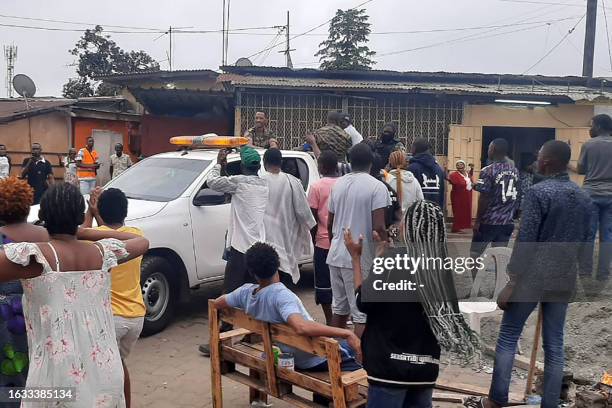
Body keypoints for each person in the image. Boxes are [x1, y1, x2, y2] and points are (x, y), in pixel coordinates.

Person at [0, 182, 149, 408]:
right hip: (106, 371)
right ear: (80, 216)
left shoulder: (35, 257)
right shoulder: (102, 253)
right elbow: (140, 241)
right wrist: (84, 230)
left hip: (57, 376)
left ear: (42, 215)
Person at [481, 141, 592, 408]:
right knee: (554, 346)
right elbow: (587, 244)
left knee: (508, 336)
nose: (537, 160)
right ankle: (550, 403)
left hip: (532, 277)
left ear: (548, 162)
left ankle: (497, 400)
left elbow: (526, 240)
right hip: (564, 278)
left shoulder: (538, 193)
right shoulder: (584, 198)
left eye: (540, 156)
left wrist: (512, 280)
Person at [212, 242, 361, 371]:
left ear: (251, 272)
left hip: (292, 356)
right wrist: (346, 333)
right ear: (278, 265)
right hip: (315, 358)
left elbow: (217, 303)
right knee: (371, 351)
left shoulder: (244, 293)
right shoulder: (281, 296)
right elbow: (301, 327)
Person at [344, 210, 442, 408]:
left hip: (390, 369)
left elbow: (362, 302)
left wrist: (356, 258)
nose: (398, 225)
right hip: (425, 368)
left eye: (403, 222)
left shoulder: (392, 262)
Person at [198, 146, 268, 356]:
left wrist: (219, 163)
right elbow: (232, 183)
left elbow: (213, 182)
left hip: (241, 250)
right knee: (255, 295)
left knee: (227, 295)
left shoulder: (239, 183)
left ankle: (217, 341)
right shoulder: (263, 184)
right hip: (259, 247)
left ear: (244, 166)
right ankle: (253, 334)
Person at [82, 188, 145, 408]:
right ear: (125, 211)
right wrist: (99, 214)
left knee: (103, 373)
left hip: (111, 319)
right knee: (119, 365)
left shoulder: (95, 245)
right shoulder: (135, 234)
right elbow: (108, 231)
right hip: (136, 317)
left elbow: (82, 234)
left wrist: (90, 213)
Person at [327, 143, 390, 337]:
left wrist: (336, 243)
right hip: (359, 257)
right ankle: (362, 362)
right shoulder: (377, 187)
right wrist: (387, 246)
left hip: (336, 254)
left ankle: (335, 358)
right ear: (371, 162)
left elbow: (330, 222)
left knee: (339, 310)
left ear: (349, 161)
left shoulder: (337, 184)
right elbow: (378, 228)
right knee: (360, 315)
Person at [0, 177, 49, 403]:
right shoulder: (45, 235)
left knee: (9, 372)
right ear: (27, 204)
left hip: (6, 318)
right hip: (40, 311)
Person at [261, 148, 316, 285]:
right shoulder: (293, 182)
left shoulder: (258, 182)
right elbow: (304, 214)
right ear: (281, 162)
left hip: (263, 243)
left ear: (264, 162)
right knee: (283, 283)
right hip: (286, 241)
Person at [470, 138, 519, 269]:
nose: (488, 150)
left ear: (493, 149)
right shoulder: (515, 170)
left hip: (489, 221)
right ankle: (499, 288)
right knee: (500, 257)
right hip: (507, 222)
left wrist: (478, 221)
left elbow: (484, 197)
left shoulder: (488, 170)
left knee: (474, 255)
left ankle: (476, 288)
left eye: (489, 148)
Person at [577, 113, 612, 281]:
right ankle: (603, 274)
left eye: (591, 125)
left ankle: (584, 272)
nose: (590, 129)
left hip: (590, 193)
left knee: (587, 235)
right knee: (608, 235)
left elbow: (581, 169)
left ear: (598, 127)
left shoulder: (589, 145)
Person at [307, 151, 340, 324]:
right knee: (342, 285)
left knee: (324, 286)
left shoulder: (316, 187)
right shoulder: (344, 184)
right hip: (343, 243)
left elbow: (312, 218)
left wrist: (314, 239)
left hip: (323, 243)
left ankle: (330, 321)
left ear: (322, 167)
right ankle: (342, 320)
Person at [407, 138, 446, 207]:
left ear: (415, 148)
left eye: (412, 146)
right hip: (435, 212)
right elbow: (442, 194)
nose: (410, 149)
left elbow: (408, 194)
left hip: (417, 213)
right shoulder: (439, 169)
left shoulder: (412, 168)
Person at [385, 150, 424, 217]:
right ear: (405, 163)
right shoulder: (414, 181)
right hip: (409, 221)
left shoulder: (386, 181)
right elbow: (421, 202)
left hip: (393, 222)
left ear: (390, 163)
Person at [447, 160, 474, 233]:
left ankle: (463, 226)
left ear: (464, 166)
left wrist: (472, 169)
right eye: (458, 165)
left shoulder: (467, 173)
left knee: (465, 210)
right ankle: (455, 228)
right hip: (458, 195)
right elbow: (451, 181)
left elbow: (470, 178)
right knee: (458, 211)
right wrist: (446, 173)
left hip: (467, 195)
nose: (459, 166)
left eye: (461, 164)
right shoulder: (454, 175)